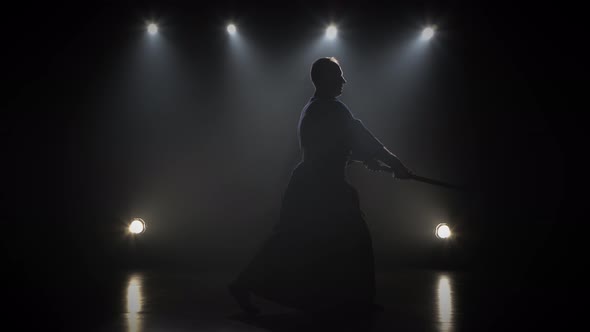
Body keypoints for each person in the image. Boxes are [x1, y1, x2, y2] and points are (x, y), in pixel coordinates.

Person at [229, 57, 413, 316]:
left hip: (312, 185)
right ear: (324, 78)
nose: (343, 81)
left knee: (296, 242)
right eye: (338, 75)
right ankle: (357, 300)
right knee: (348, 242)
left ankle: (244, 285)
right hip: (321, 187)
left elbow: (335, 145)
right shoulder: (330, 109)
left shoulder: (314, 108)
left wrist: (365, 158)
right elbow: (357, 135)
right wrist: (395, 164)